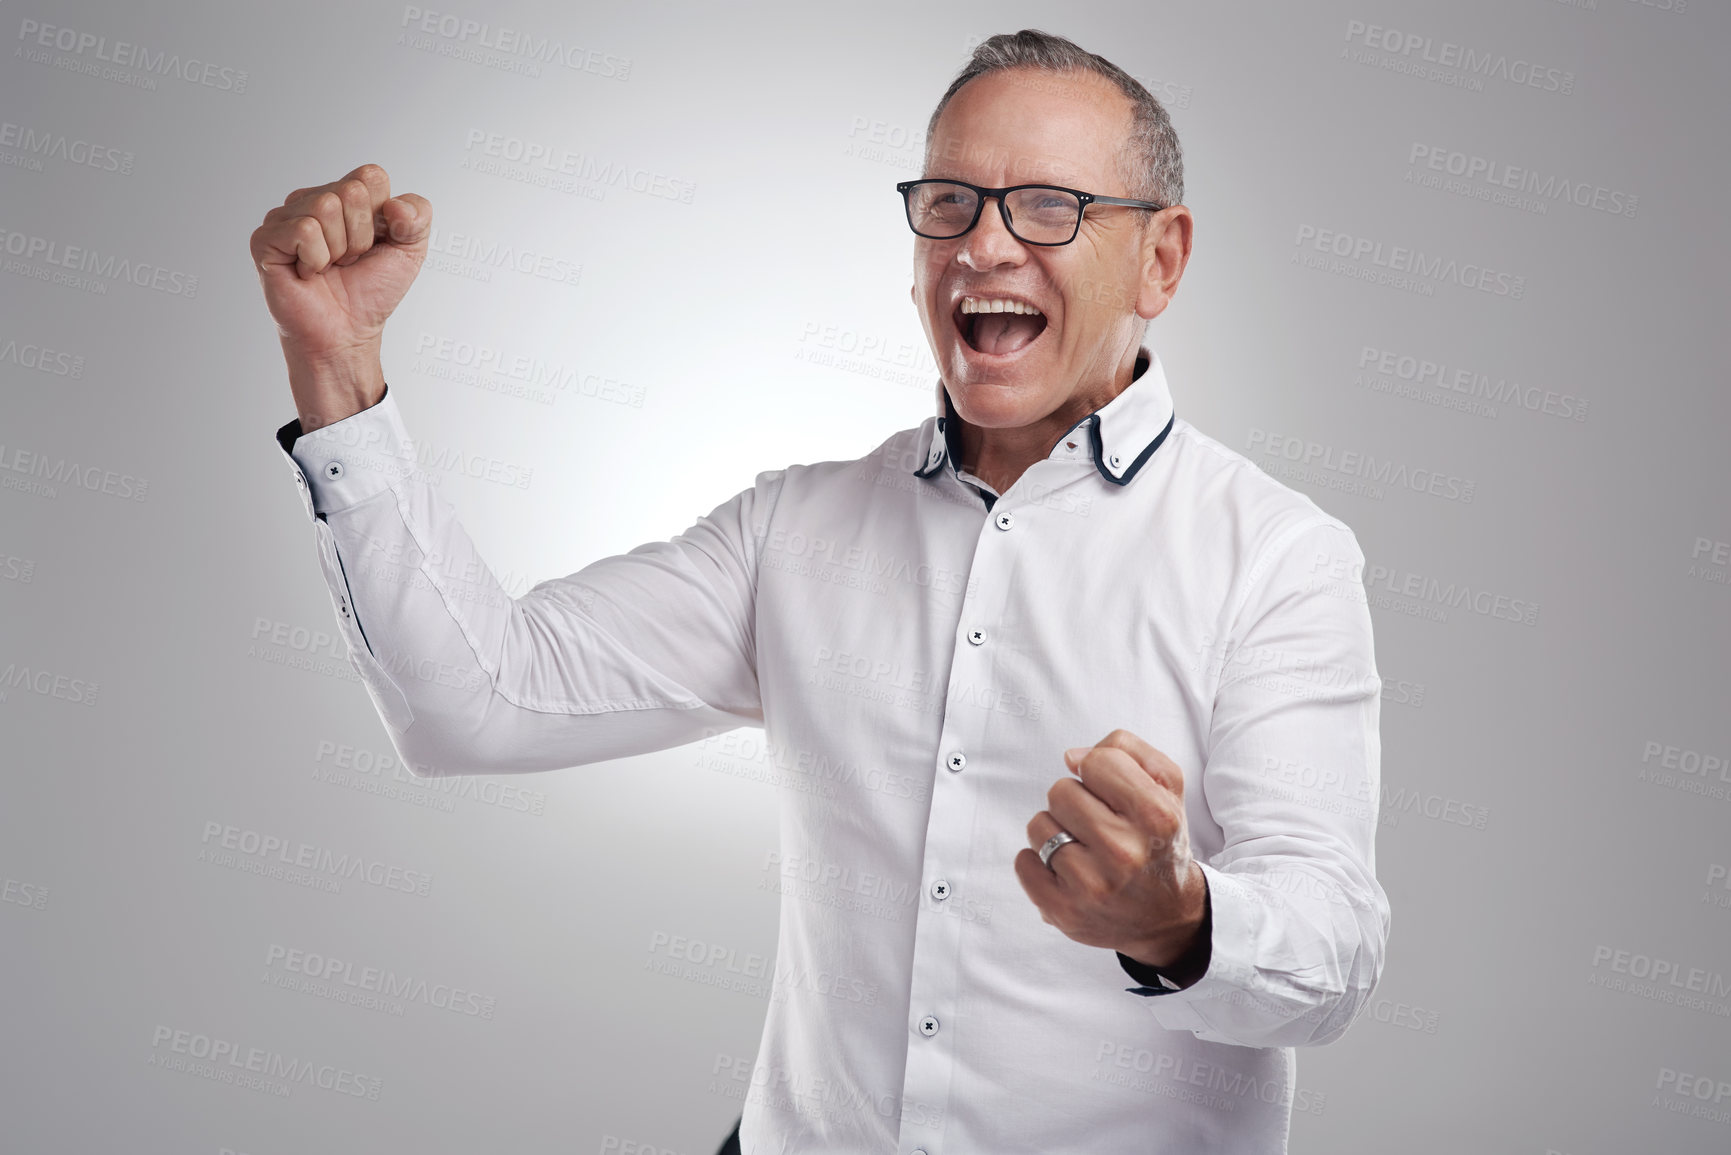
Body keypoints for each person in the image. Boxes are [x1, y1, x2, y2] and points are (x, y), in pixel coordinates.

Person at [251, 28, 1389, 1155]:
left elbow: (1332, 956)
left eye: (1048, 206)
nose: (984, 247)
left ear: (1162, 259)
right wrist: (340, 374)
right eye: (950, 202)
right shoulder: (794, 529)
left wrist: (1178, 920)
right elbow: (474, 701)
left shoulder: (1276, 558)